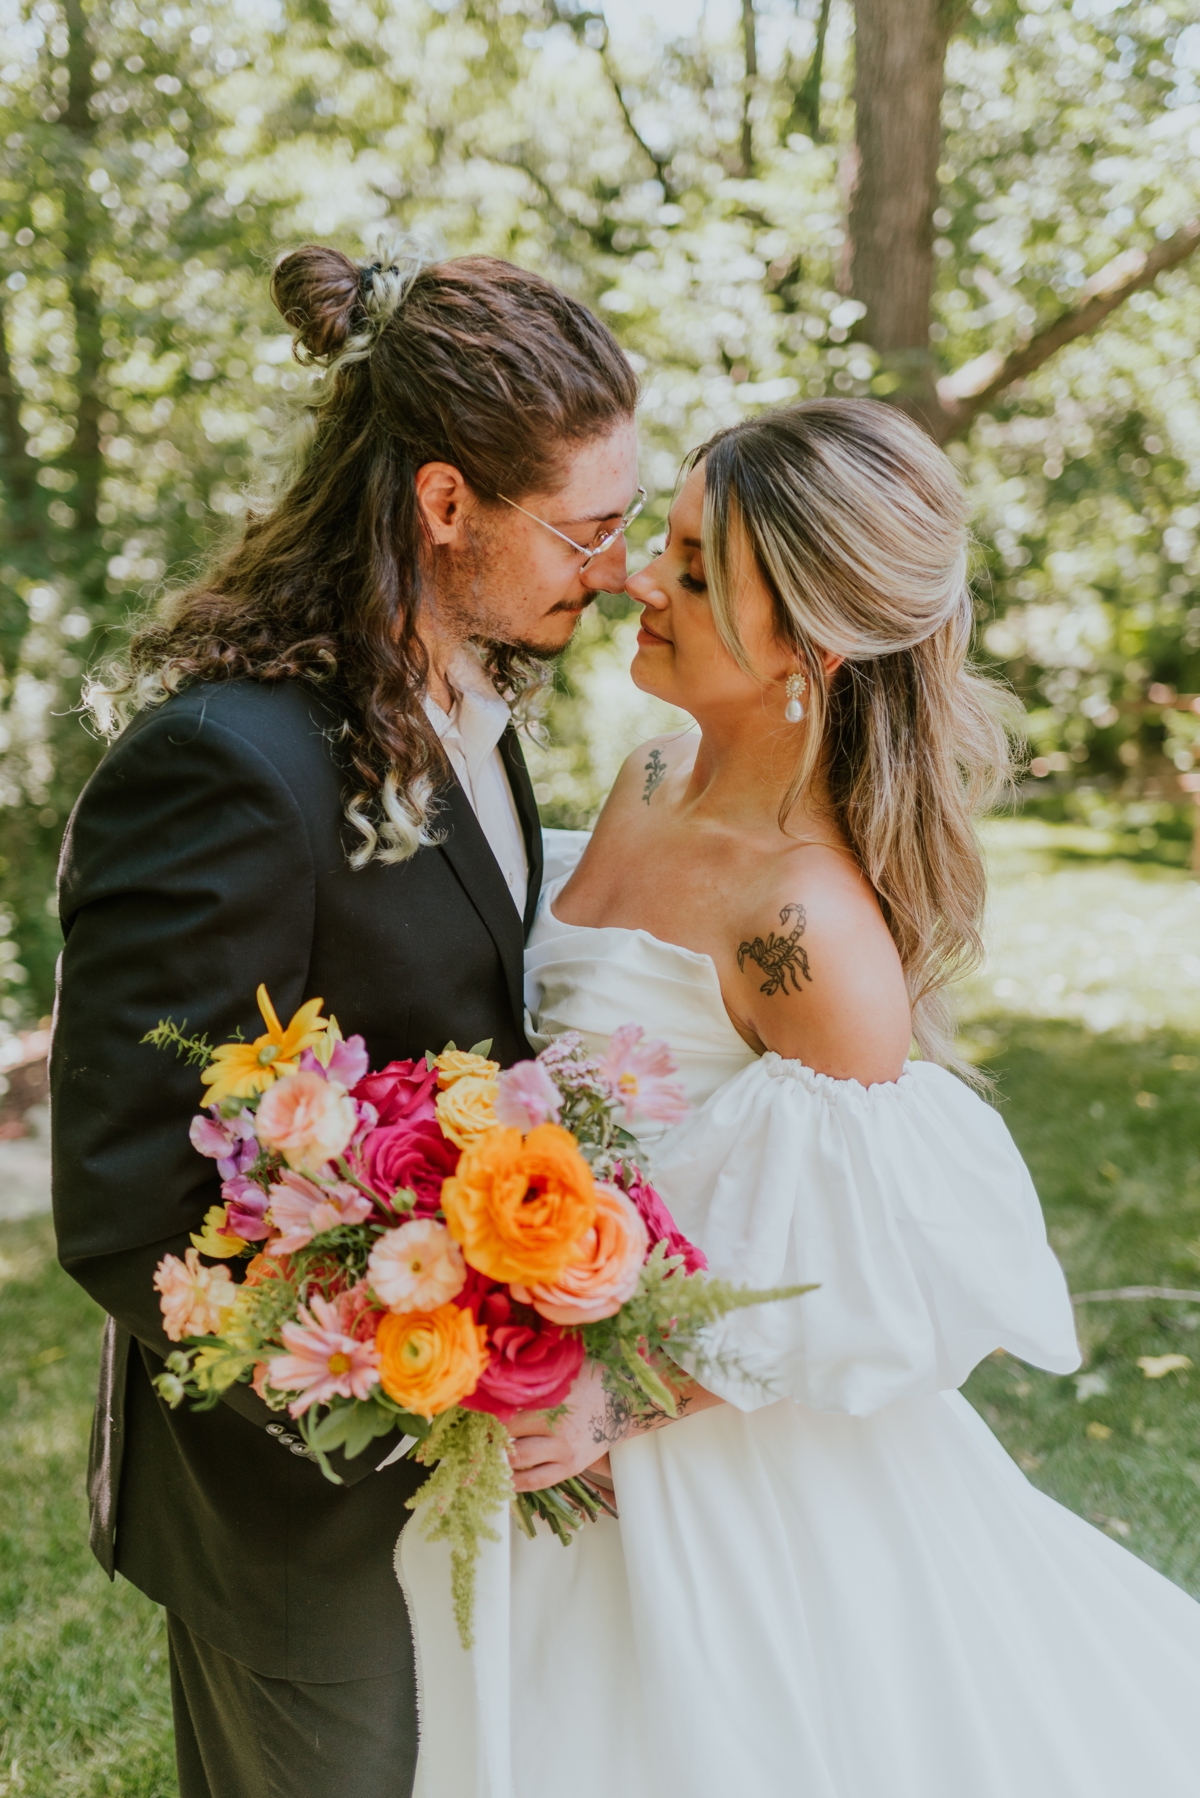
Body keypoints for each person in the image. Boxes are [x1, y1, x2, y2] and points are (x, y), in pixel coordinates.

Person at [398, 399, 1200, 1797]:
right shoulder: (654, 775)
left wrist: (606, 1411)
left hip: (696, 1471)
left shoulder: (806, 924)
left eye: (702, 573)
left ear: (810, 652)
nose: (644, 576)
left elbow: (842, 1270)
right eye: (670, 536)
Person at [50, 240, 642, 1798]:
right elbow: (127, 1201)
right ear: (446, 506)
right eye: (590, 526)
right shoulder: (229, 767)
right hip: (298, 1519)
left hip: (453, 1485)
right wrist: (417, 1371)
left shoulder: (477, 716)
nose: (622, 562)